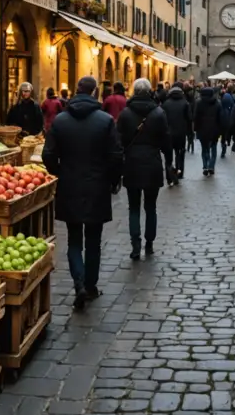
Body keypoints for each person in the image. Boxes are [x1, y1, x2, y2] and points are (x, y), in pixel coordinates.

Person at [43, 76, 123, 309]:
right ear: (95, 92)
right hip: (97, 185)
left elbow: (48, 155)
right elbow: (115, 155)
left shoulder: (60, 121)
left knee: (74, 239)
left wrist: (60, 172)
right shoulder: (106, 120)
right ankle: (90, 285)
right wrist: (113, 179)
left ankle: (78, 282)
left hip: (70, 185)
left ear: (76, 91)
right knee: (94, 240)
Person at [118, 78, 173, 260]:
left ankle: (135, 244)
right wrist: (169, 163)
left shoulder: (125, 113)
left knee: (134, 207)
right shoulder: (158, 113)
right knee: (151, 207)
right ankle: (149, 243)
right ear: (149, 91)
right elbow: (166, 141)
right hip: (152, 163)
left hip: (132, 163)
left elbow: (119, 142)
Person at [162, 81, 191, 184]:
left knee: (168, 157)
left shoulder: (165, 104)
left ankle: (169, 177)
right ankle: (179, 173)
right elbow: (189, 119)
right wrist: (190, 133)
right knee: (180, 154)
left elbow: (162, 119)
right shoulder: (185, 103)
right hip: (181, 133)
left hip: (168, 134)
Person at [194, 86, 222, 176]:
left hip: (202, 129)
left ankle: (205, 166)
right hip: (214, 129)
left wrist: (195, 129)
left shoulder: (198, 103)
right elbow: (220, 117)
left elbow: (195, 117)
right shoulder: (217, 103)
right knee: (213, 149)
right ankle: (211, 166)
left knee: (204, 148)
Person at [220, 86, 235, 158]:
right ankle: (227, 143)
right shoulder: (231, 98)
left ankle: (224, 147)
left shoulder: (223, 99)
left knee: (224, 135)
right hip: (229, 119)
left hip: (223, 120)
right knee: (227, 134)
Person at [183, 81, 197, 153]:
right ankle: (190, 146)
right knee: (190, 132)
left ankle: (190, 145)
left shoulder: (185, 95)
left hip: (187, 117)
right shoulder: (189, 95)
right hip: (189, 116)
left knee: (189, 132)